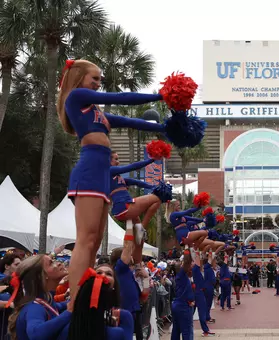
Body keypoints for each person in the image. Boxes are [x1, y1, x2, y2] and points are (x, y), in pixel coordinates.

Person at [57, 59, 183, 310]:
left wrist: (165, 129)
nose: (98, 82)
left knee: (94, 241)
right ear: (78, 77)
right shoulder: (76, 97)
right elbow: (122, 97)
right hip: (90, 170)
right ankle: (75, 304)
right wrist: (160, 94)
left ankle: (91, 294)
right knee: (86, 238)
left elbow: (130, 121)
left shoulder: (97, 112)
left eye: (99, 79)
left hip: (100, 176)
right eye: (94, 78)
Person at [8, 255, 71, 340]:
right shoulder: (34, 307)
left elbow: (59, 306)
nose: (59, 263)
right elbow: (35, 334)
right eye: (51, 263)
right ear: (41, 276)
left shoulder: (46, 300)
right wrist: (69, 312)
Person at [171, 250, 194, 340]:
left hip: (178, 305)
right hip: (183, 307)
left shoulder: (181, 277)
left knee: (176, 331)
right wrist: (187, 247)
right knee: (186, 332)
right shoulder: (181, 274)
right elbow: (187, 262)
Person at [191, 252, 215, 337]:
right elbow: (198, 259)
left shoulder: (196, 270)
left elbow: (208, 260)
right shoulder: (195, 269)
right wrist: (197, 251)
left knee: (191, 313)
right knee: (202, 313)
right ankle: (205, 331)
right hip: (199, 293)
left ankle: (185, 329)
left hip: (195, 293)